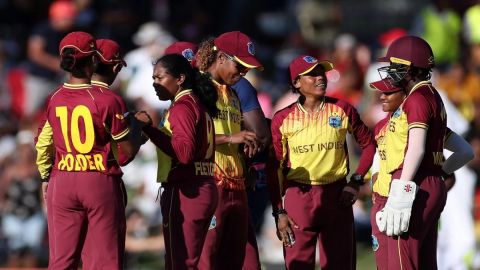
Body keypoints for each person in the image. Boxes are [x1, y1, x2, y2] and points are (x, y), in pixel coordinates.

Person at [34, 31, 144, 269]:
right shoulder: (108, 100)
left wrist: (45, 176)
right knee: (103, 261)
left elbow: (42, 143)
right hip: (98, 179)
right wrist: (140, 130)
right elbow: (125, 154)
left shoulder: (54, 97)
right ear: (93, 60)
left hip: (61, 179)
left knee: (61, 261)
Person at [270, 55, 376, 269]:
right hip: (298, 198)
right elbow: (275, 168)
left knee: (340, 264)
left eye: (321, 73)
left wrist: (356, 181)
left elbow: (369, 145)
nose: (321, 78)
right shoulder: (282, 119)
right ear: (297, 83)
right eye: (312, 75)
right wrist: (279, 212)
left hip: (337, 196)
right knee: (298, 265)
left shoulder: (342, 109)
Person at [368, 35, 450, 270]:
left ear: (410, 68)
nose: (390, 71)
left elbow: (416, 148)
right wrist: (439, 172)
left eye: (395, 65)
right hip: (430, 181)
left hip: (414, 183)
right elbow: (462, 151)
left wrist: (401, 191)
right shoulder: (434, 96)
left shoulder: (416, 98)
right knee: (424, 262)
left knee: (402, 263)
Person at [134, 53, 219, 269]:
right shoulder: (197, 103)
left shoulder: (182, 107)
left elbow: (184, 154)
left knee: (179, 262)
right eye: (153, 78)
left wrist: (150, 129)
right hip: (203, 185)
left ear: (180, 79)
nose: (154, 84)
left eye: (159, 78)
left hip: (185, 190)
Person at [195, 31, 263, 270]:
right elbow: (186, 141)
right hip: (210, 182)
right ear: (221, 57)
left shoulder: (233, 94)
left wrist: (246, 159)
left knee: (244, 263)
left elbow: (235, 139)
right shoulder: (196, 89)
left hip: (237, 185)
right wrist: (232, 137)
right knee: (207, 261)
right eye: (240, 65)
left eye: (247, 69)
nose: (244, 73)